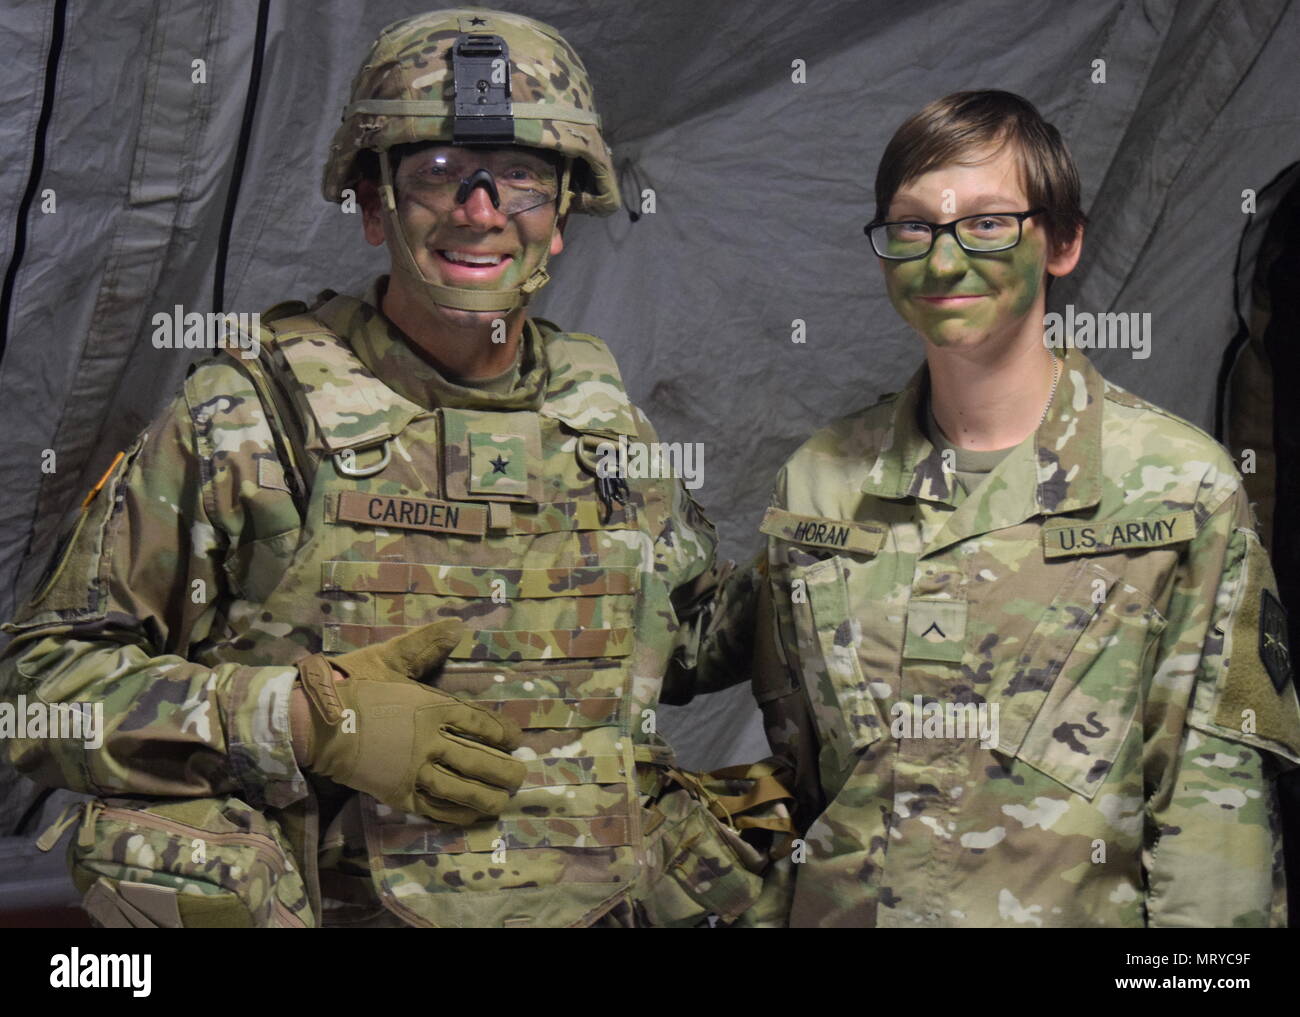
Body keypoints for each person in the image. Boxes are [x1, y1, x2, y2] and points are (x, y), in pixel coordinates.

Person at [0, 7, 780, 929]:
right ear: (375, 204)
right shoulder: (253, 419)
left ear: (562, 213)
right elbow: (39, 686)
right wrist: (302, 719)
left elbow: (672, 645)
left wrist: (810, 572)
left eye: (520, 177)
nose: (481, 210)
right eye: (437, 172)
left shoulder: (599, 415)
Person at [752, 90, 1300, 927]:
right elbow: (799, 782)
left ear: (1064, 241)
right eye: (913, 227)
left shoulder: (1178, 490)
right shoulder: (819, 484)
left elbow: (1213, 827)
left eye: (987, 223)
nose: (942, 263)